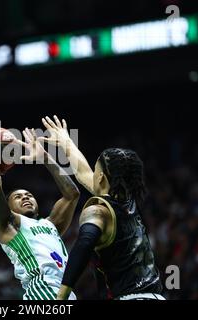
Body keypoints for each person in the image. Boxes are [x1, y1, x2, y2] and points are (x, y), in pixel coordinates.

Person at [40, 115, 164, 300]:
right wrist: (66, 142)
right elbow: (83, 173)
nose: (93, 172)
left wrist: (60, 297)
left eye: (96, 169)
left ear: (101, 178)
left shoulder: (98, 210)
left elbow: (84, 245)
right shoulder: (127, 202)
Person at [0, 128, 79, 300]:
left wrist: (45, 158)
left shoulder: (50, 225)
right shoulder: (9, 226)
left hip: (66, 292)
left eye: (29, 195)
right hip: (42, 291)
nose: (25, 197)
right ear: (8, 207)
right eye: (18, 197)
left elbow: (72, 194)